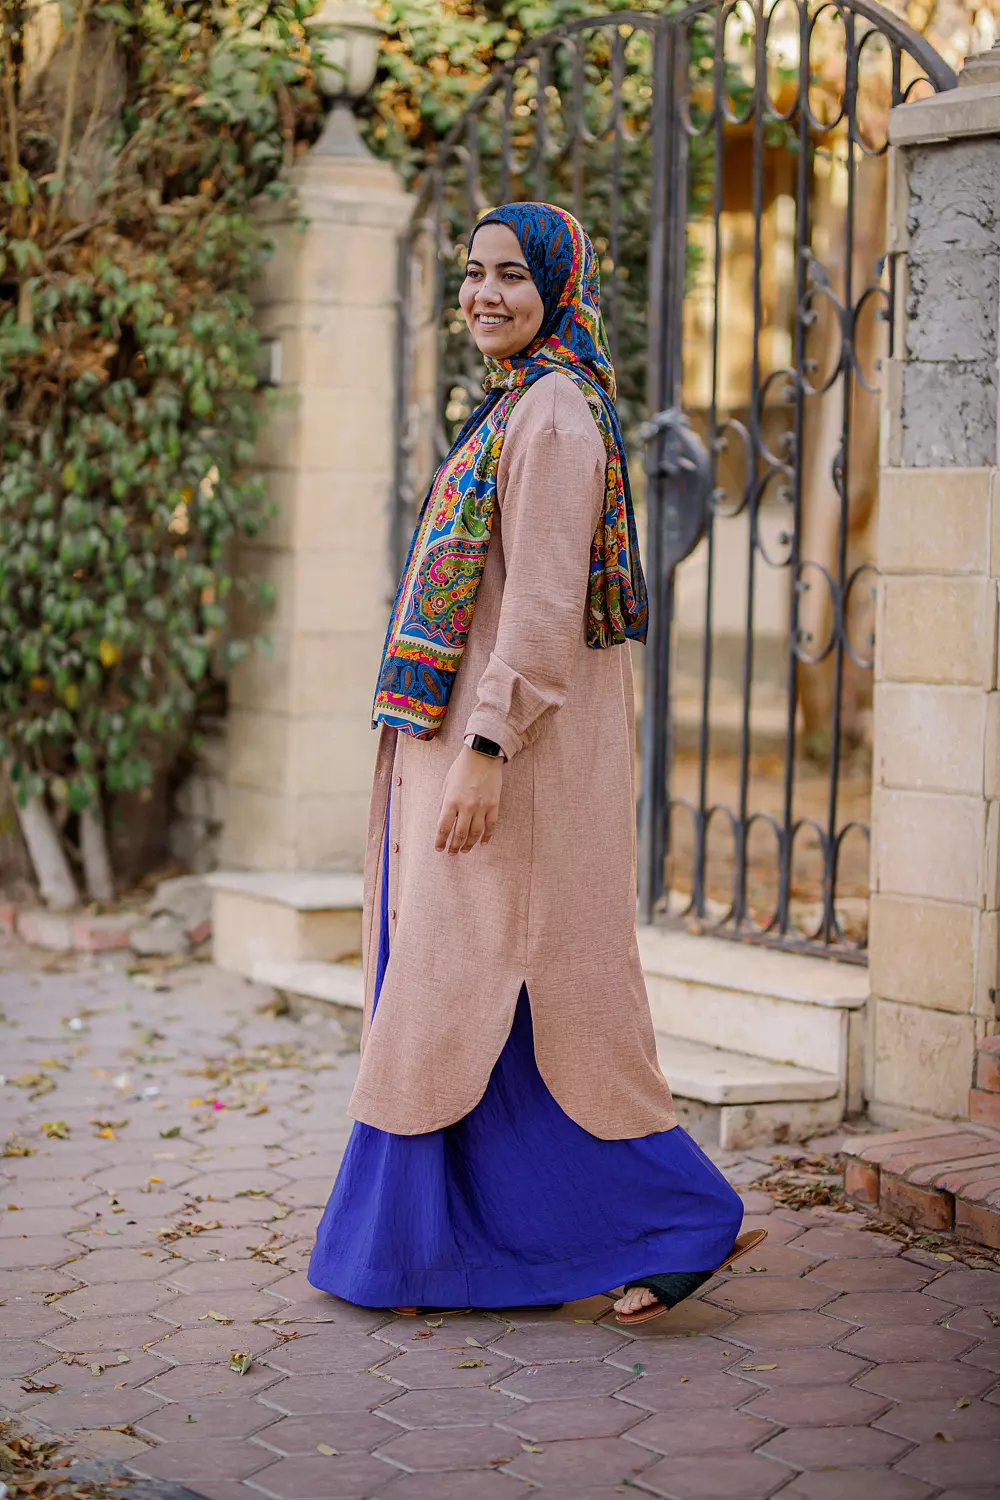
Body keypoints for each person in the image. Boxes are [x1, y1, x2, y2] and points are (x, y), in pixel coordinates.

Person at [308, 201, 763, 1325]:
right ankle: (466, 1244)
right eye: (471, 273)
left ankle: (672, 1218)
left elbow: (549, 609)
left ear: (556, 286)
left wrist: (487, 748)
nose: (483, 294)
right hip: (472, 748)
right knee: (477, 989)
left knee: (506, 985)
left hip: (513, 760)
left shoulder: (553, 415)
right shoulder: (516, 404)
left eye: (511, 274)